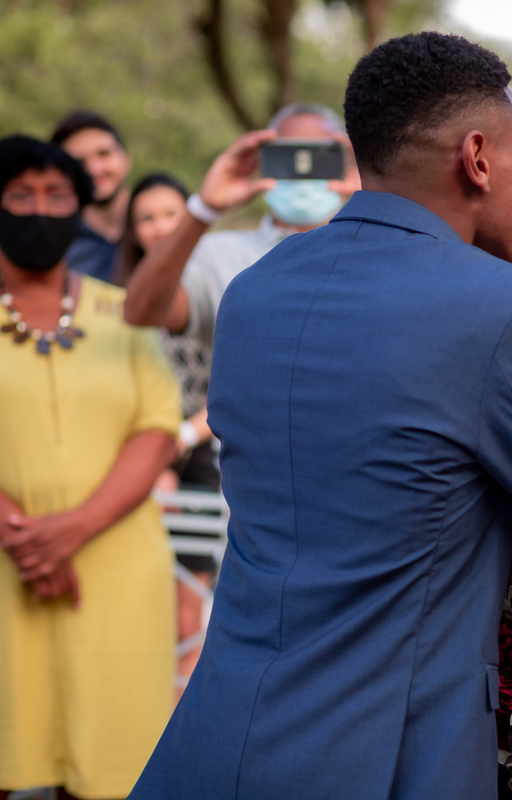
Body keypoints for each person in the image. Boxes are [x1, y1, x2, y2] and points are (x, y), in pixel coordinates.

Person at [129, 33, 512, 800]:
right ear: (477, 158)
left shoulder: (256, 291)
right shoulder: (501, 313)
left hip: (213, 740)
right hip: (384, 759)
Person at [0, 135, 180, 800]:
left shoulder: (124, 312)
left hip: (114, 576)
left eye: (57, 197)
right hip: (6, 572)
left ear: (82, 209)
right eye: (20, 196)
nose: (39, 210)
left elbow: (158, 428)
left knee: (110, 774)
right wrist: (27, 541)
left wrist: (69, 532)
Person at [122, 102, 360, 347]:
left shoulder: (376, 251)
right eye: (287, 155)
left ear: (348, 162)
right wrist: (203, 208)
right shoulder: (217, 255)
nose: (303, 168)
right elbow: (141, 311)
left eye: (320, 157)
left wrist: (380, 191)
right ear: (262, 161)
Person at [116, 172, 220, 688]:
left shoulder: (215, 285)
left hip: (198, 449)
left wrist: (174, 445)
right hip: (127, 451)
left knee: (189, 615)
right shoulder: (119, 301)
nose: (159, 227)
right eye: (146, 217)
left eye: (171, 215)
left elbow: (228, 387)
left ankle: (177, 729)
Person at [50, 110, 133, 283]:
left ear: (126, 159)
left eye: (104, 154)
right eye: (79, 162)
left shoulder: (167, 224)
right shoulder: (57, 246)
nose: (94, 169)